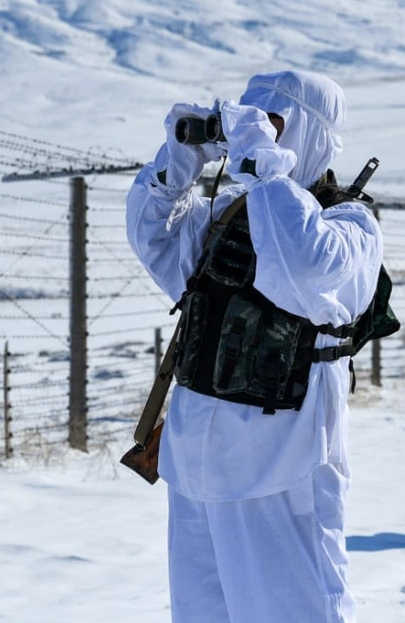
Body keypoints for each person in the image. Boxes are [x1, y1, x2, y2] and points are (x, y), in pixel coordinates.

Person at [126, 69, 382, 622]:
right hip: (196, 460)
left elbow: (303, 269)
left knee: (295, 609)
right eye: (252, 120)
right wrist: (176, 167)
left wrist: (266, 170)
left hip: (279, 465)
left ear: (310, 135)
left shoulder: (350, 223)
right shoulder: (232, 213)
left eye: (274, 123)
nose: (259, 131)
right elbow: (158, 245)